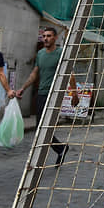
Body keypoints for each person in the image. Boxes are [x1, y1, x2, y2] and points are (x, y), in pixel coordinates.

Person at [16, 27, 77, 166]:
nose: (46, 38)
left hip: (54, 94)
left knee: (45, 127)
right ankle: (60, 148)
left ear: (55, 38)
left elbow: (70, 73)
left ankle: (38, 160)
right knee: (40, 127)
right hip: (42, 93)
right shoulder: (40, 54)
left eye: (49, 36)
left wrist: (74, 92)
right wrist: (23, 88)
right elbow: (34, 73)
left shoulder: (61, 53)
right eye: (44, 36)